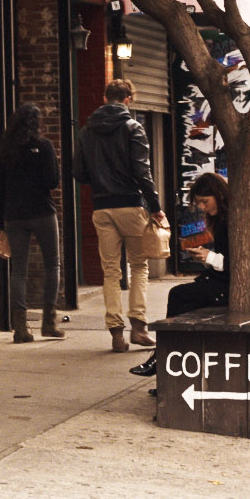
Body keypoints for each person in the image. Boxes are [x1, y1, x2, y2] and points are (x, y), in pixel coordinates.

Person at [130, 172, 250, 377]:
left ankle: (164, 363)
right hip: (240, 283)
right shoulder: (225, 220)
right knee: (183, 300)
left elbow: (247, 268)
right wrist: (208, 258)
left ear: (219, 195)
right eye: (198, 203)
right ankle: (168, 367)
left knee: (179, 296)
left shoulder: (241, 222)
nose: (202, 207)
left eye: (204, 201)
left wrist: (210, 257)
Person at [72, 78, 167, 352]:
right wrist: (156, 206)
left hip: (102, 207)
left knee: (110, 271)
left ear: (105, 97)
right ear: (128, 99)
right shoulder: (132, 127)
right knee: (138, 266)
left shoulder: (87, 131)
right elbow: (142, 171)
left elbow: (79, 172)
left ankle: (116, 333)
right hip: (131, 205)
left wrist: (101, 180)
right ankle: (138, 327)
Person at [0, 104, 63, 343]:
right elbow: (53, 181)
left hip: (13, 214)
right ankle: (49, 322)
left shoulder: (5, 150)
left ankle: (21, 328)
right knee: (52, 265)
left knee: (19, 269)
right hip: (43, 211)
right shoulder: (43, 146)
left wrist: (0, 219)